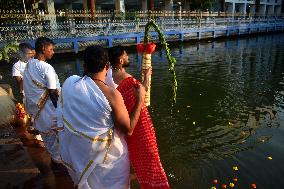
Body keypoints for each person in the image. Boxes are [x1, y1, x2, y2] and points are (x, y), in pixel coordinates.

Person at [58, 45, 145, 189]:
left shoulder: (70, 83)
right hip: (109, 163)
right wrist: (140, 100)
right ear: (107, 65)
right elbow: (128, 130)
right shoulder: (112, 95)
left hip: (81, 155)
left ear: (84, 65)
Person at [108, 46, 170, 189]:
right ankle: (155, 184)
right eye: (126, 55)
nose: (128, 57)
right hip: (139, 122)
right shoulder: (126, 78)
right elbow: (143, 91)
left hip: (123, 119)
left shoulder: (108, 76)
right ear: (120, 60)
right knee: (150, 155)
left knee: (133, 153)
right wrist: (147, 75)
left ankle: (132, 177)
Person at [23, 37, 61, 162]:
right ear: (44, 49)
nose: (53, 52)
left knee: (49, 141)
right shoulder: (46, 68)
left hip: (38, 112)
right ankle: (60, 166)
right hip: (50, 111)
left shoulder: (29, 65)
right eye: (51, 49)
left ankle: (55, 161)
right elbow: (53, 92)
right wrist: (61, 110)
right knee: (59, 139)